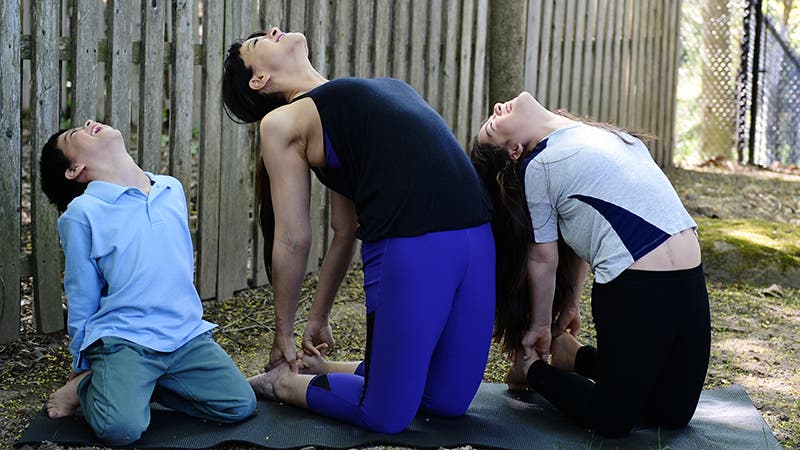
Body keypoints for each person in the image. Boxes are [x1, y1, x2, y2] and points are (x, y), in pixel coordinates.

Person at [221, 27, 495, 433]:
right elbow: (294, 238)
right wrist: (284, 337)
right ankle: (283, 382)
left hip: (476, 235)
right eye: (260, 42)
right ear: (259, 80)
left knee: (447, 401)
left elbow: (345, 229)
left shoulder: (350, 99)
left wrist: (319, 316)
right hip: (411, 244)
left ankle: (324, 368)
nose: (276, 30)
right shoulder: (281, 122)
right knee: (386, 415)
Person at [470, 92, 711, 437]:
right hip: (634, 285)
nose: (496, 108)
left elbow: (583, 233)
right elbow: (543, 257)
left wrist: (569, 303)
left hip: (688, 279)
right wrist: (540, 328)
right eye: (493, 126)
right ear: (515, 150)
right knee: (610, 419)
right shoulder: (539, 167)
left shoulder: (603, 136)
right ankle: (532, 369)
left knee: (672, 413)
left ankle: (575, 357)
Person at [39, 121, 256, 445]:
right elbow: (81, 294)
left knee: (239, 404)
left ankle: (146, 385)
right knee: (120, 429)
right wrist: (80, 365)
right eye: (75, 135)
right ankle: (87, 388)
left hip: (184, 336)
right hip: (126, 339)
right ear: (75, 169)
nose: (87, 124)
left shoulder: (171, 188)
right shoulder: (83, 213)